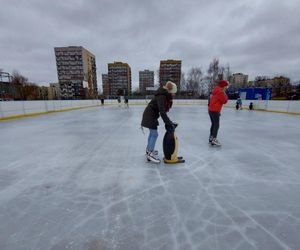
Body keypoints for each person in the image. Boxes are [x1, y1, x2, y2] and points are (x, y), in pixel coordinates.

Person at [141, 81, 177, 163]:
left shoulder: (163, 94)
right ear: (170, 91)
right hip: (150, 115)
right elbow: (162, 111)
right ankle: (150, 153)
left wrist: (169, 121)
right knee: (154, 134)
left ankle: (148, 150)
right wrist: (168, 123)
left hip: (150, 115)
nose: (174, 94)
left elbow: (162, 111)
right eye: (174, 92)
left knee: (152, 133)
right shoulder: (162, 96)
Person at [208, 79, 229, 146]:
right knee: (216, 125)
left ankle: (211, 137)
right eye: (226, 86)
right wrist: (225, 93)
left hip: (211, 110)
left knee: (213, 124)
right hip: (215, 110)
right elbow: (225, 101)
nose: (226, 87)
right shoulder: (220, 92)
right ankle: (214, 139)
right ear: (223, 86)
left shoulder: (215, 90)